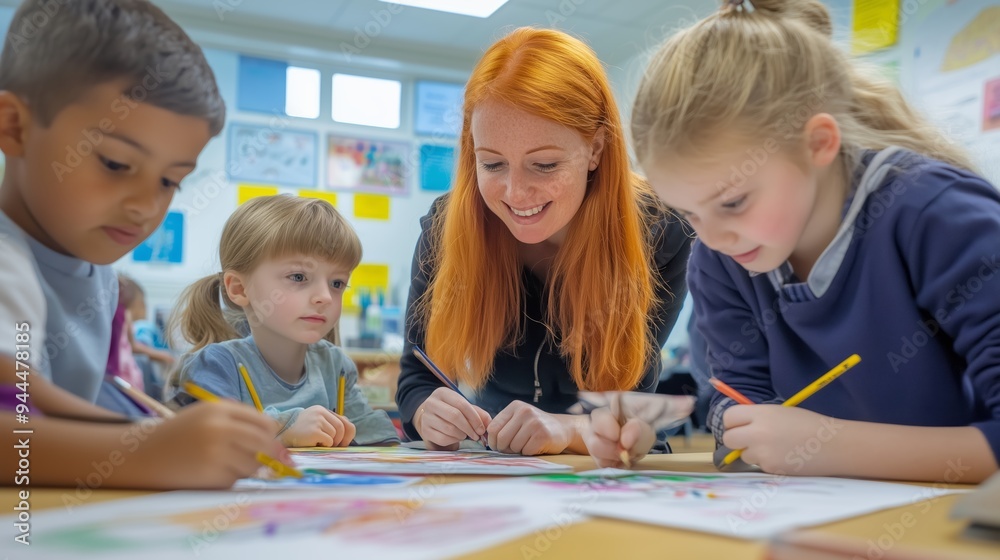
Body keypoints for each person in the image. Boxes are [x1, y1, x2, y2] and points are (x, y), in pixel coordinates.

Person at [592, 0, 999, 482]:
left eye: (733, 201)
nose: (712, 238)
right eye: (688, 213)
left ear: (818, 143)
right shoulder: (720, 258)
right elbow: (737, 398)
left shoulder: (935, 215)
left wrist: (827, 446)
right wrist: (663, 425)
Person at [0, 0, 289, 489]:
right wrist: (146, 452)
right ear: (14, 126)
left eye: (170, 181)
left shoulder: (100, 279)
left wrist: (164, 433)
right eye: (115, 164)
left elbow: (64, 404)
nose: (145, 206)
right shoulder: (8, 263)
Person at [396, 27, 692, 460]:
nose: (516, 193)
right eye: (492, 164)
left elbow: (632, 411)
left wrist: (567, 429)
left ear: (595, 149)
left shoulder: (662, 232)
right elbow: (417, 377)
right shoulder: (448, 228)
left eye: (545, 164)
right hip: (494, 459)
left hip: (601, 466)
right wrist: (428, 411)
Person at [168, 195, 399, 447]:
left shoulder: (335, 365)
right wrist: (284, 430)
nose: (325, 296)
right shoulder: (216, 365)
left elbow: (380, 437)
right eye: (298, 277)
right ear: (239, 288)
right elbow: (205, 440)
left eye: (337, 283)